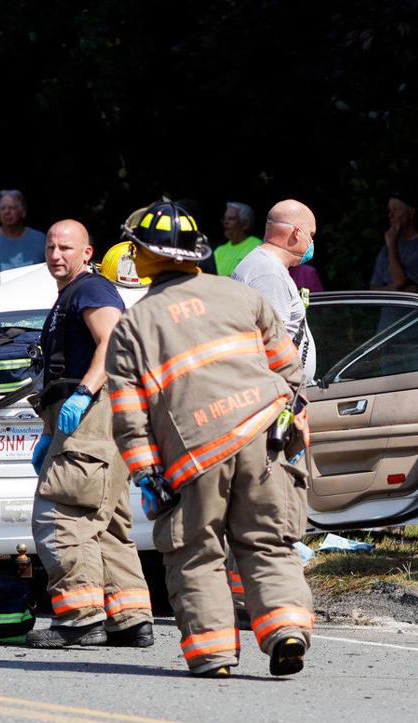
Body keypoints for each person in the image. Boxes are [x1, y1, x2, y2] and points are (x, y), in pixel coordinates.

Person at [106, 200, 312, 678]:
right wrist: (283, 418)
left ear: (144, 255)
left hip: (195, 454)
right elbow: (289, 368)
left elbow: (130, 416)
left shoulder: (133, 326)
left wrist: (146, 475)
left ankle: (215, 654)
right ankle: (286, 629)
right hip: (263, 439)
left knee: (196, 552)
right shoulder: (239, 296)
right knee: (268, 541)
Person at [25, 219, 154, 649]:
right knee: (108, 521)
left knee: (62, 514)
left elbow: (112, 343)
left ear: (87, 253)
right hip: (94, 420)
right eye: (50, 247)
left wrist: (83, 394)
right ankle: (130, 619)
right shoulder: (71, 296)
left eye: (66, 247)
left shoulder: (91, 289)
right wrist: (49, 431)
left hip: (92, 415)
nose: (55, 255)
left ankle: (80, 619)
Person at [232, 200, 318, 384]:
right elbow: (272, 345)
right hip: (279, 389)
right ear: (297, 233)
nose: (312, 243)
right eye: (311, 235)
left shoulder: (261, 264)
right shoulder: (269, 273)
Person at [369, 193, 418, 296]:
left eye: (395, 210)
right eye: (389, 211)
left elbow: (400, 282)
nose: (390, 215)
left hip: (414, 307)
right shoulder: (386, 248)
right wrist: (395, 289)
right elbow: (373, 289)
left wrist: (392, 246)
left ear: (411, 213)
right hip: (388, 307)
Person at [0, 189, 47, 271]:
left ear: (23, 212)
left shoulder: (40, 239)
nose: (6, 212)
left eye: (11, 208)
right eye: (2, 208)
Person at [211, 202, 263, 278]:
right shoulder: (219, 250)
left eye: (231, 219)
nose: (226, 222)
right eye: (224, 219)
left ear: (245, 223)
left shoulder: (257, 247)